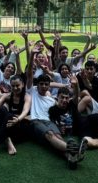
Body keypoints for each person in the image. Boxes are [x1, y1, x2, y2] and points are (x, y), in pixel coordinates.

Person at [21, 31, 86, 169]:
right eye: (41, 84)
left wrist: (75, 86)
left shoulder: (51, 99)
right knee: (50, 135)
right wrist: (32, 55)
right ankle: (74, 150)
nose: (44, 86)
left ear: (48, 85)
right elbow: (30, 74)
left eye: (46, 84)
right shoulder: (32, 90)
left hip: (49, 121)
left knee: (57, 137)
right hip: (36, 121)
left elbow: (73, 99)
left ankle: (70, 158)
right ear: (37, 85)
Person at [0, 74, 32, 158]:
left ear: (22, 84)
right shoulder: (7, 96)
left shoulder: (27, 97)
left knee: (10, 116)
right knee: (3, 110)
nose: (15, 88)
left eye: (17, 85)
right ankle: (7, 140)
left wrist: (18, 119)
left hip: (22, 127)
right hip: (10, 126)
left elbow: (25, 111)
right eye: (13, 86)